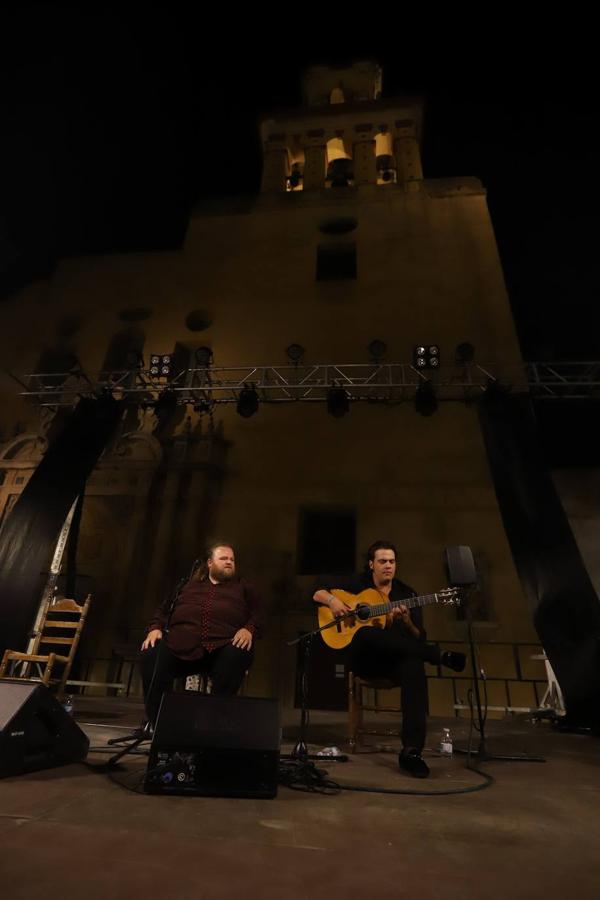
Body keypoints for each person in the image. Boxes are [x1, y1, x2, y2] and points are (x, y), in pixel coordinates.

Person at [313, 540, 465, 778]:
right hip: (364, 659)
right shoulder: (356, 583)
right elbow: (317, 590)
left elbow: (419, 636)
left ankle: (411, 752)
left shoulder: (408, 594)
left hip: (393, 662)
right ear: (371, 564)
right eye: (382, 561)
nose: (388, 566)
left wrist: (405, 622)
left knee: (414, 664)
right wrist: (332, 601)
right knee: (365, 632)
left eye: (392, 561)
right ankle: (437, 655)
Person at [140, 542, 264, 730]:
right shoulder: (187, 585)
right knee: (151, 654)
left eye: (232, 559)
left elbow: (260, 614)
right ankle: (161, 724)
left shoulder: (243, 587)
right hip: (180, 647)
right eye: (223, 558)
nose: (229, 562)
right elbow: (163, 610)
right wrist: (155, 627)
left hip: (222, 649)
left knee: (238, 652)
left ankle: (213, 727)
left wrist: (248, 629)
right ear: (209, 563)